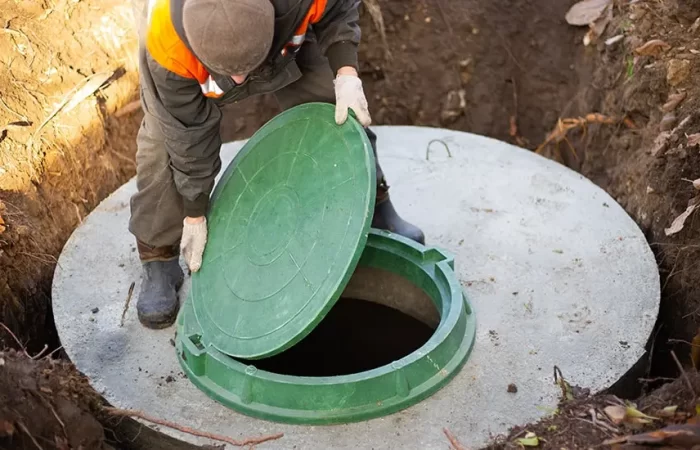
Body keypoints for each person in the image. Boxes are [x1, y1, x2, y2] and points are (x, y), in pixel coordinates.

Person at [130, 0, 425, 329]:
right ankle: (158, 255)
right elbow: (188, 139)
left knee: (332, 108)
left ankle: (373, 203)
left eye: (245, 69)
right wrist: (195, 211)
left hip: (280, 41)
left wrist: (346, 73)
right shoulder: (166, 44)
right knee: (163, 148)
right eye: (232, 73)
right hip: (189, 61)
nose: (240, 82)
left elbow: (339, 10)